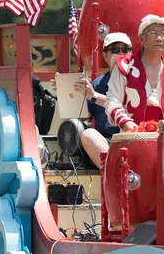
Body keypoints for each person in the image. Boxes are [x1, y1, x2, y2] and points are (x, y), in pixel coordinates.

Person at [51, 32, 132, 168]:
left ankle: (115, 173)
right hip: (105, 143)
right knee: (88, 134)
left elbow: (126, 107)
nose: (121, 54)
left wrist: (93, 96)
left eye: (125, 50)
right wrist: (66, 92)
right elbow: (83, 115)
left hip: (133, 138)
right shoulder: (99, 83)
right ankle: (114, 173)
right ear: (105, 56)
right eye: (115, 50)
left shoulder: (139, 79)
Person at [105, 15, 164, 132]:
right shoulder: (124, 66)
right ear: (141, 39)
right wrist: (126, 123)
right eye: (153, 33)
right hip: (133, 136)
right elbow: (112, 102)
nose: (159, 38)